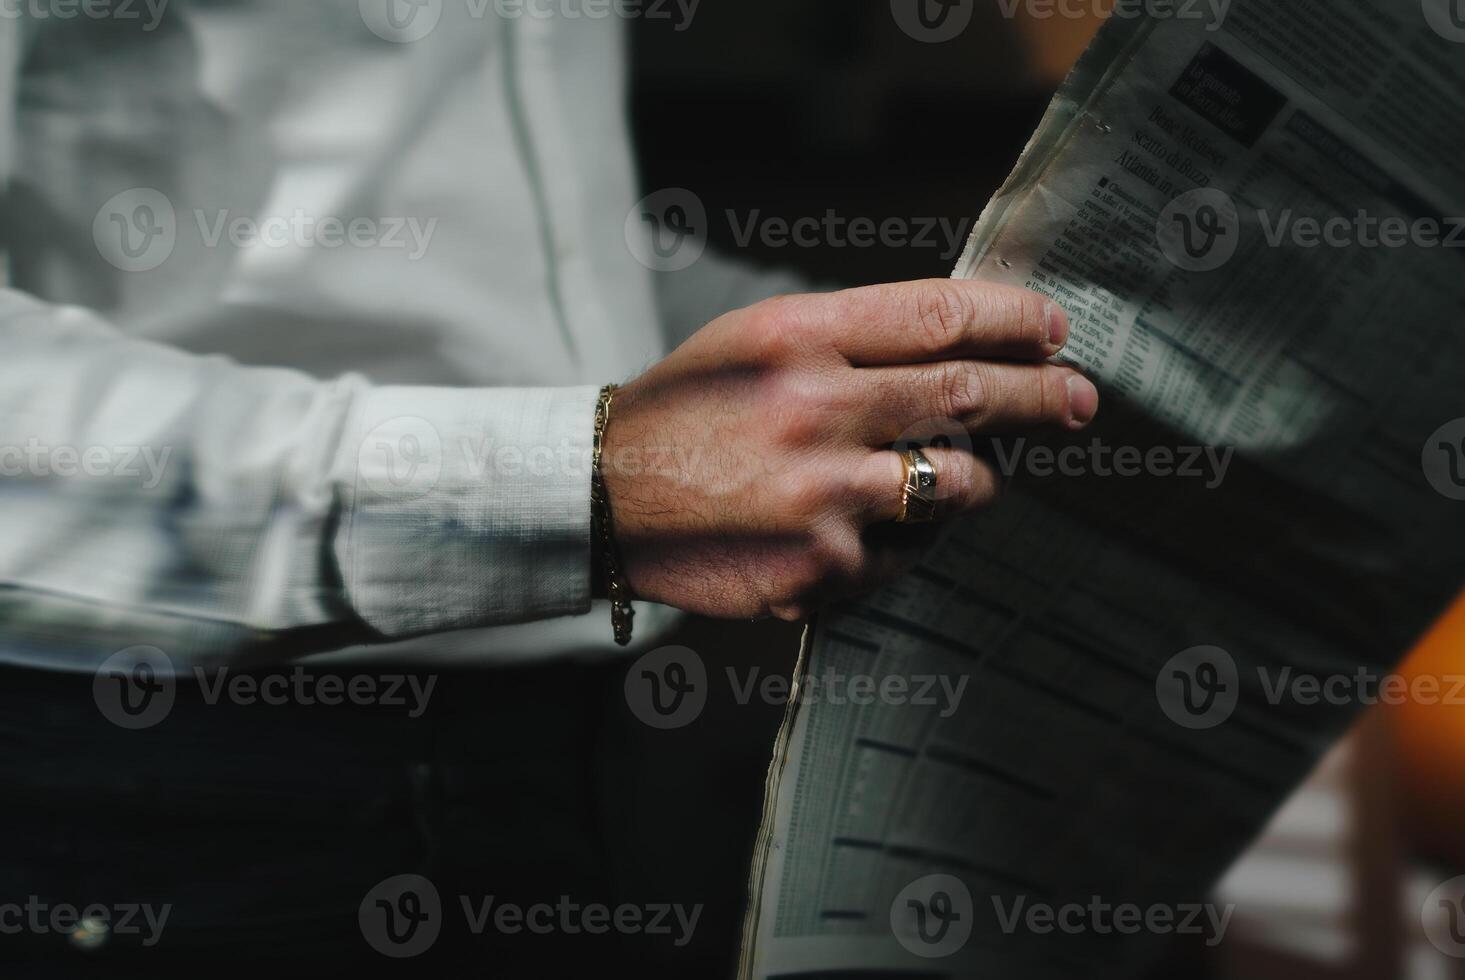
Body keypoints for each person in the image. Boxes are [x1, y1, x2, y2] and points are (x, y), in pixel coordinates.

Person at [0, 4, 1096, 974]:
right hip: (162, 788)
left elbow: (504, 274)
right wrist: (586, 479)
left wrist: (862, 380)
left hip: (560, 759)